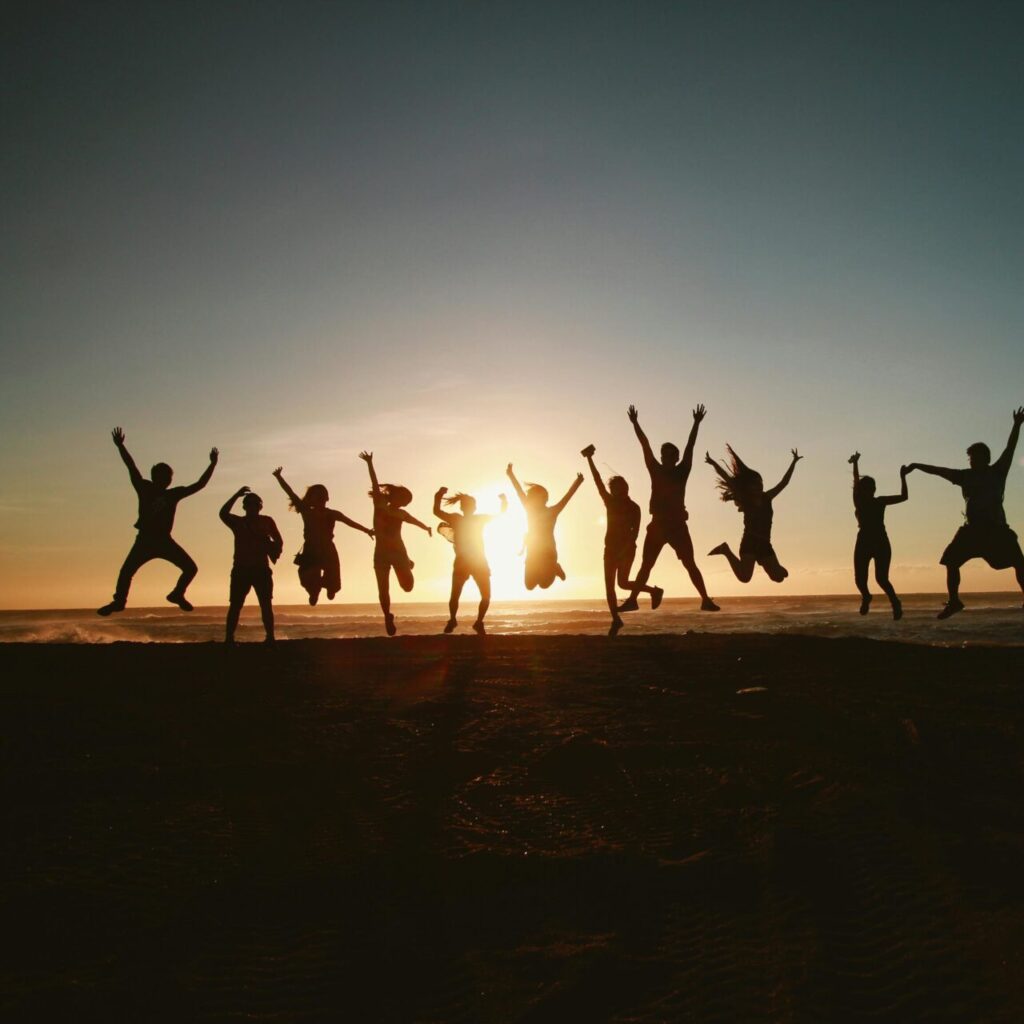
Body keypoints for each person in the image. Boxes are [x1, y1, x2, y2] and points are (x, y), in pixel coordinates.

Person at [907, 407, 1024, 619]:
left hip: (996, 529)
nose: (970, 461)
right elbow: (939, 471)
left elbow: (1010, 448)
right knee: (951, 561)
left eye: (972, 457)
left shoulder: (997, 471)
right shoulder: (964, 476)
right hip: (972, 531)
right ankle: (954, 601)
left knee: (1019, 561)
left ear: (984, 458)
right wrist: (917, 465)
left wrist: (1016, 425)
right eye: (969, 458)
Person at [98, 427, 218, 615]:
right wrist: (121, 447)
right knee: (126, 572)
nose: (167, 480)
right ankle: (119, 601)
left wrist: (212, 464)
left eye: (169, 477)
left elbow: (199, 485)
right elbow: (131, 467)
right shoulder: (145, 488)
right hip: (145, 540)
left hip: (164, 540)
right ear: (155, 477)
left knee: (190, 568)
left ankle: (177, 594)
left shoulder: (173, 494)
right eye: (164, 477)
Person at [619, 404, 719, 612]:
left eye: (669, 454)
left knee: (690, 563)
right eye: (663, 454)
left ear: (675, 457)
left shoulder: (682, 471)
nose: (665, 457)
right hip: (657, 525)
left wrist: (696, 423)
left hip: (677, 526)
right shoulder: (655, 469)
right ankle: (632, 600)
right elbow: (644, 445)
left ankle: (705, 599)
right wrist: (635, 423)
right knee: (646, 565)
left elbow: (690, 448)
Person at [582, 444, 662, 635]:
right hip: (609, 549)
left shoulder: (634, 507)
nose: (620, 490)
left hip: (626, 549)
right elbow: (597, 481)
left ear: (627, 487)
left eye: (623, 486)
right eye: (616, 488)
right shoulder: (609, 502)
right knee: (610, 586)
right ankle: (616, 620)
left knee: (623, 583)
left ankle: (653, 591)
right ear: (614, 490)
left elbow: (635, 533)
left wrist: (626, 548)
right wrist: (590, 459)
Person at [272, 466, 373, 605]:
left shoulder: (332, 513)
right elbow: (291, 493)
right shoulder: (307, 511)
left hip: (327, 549)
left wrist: (367, 530)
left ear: (327, 498)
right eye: (316, 495)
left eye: (322, 495)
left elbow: (350, 522)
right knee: (308, 578)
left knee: (334, 580)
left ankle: (329, 588)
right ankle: (314, 592)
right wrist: (279, 477)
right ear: (311, 499)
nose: (319, 498)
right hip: (311, 549)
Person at [359, 451, 432, 635]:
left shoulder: (401, 514)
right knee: (383, 589)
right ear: (395, 496)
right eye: (404, 500)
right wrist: (369, 463)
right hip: (381, 554)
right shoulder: (379, 505)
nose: (405, 504)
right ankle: (387, 616)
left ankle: (407, 563)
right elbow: (375, 484)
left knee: (408, 587)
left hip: (399, 553)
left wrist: (426, 528)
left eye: (407, 502)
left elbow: (414, 520)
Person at [706, 446, 802, 584]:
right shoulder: (745, 499)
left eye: (760, 484)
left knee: (779, 578)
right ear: (749, 487)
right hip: (750, 542)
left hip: (764, 543)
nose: (759, 487)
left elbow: (784, 482)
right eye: (756, 485)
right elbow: (727, 478)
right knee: (745, 578)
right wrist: (713, 463)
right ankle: (725, 550)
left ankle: (769, 564)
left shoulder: (767, 497)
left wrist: (794, 462)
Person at [434, 487, 507, 634]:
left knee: (473, 595)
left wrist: (438, 495)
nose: (470, 507)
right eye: (469, 505)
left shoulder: (467, 519)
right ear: (469, 507)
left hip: (475, 561)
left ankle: (470, 622)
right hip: (471, 561)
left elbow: (436, 511)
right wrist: (504, 501)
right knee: (476, 595)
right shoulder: (464, 519)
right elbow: (501, 513)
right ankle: (464, 621)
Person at [849, 453, 908, 619]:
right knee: (860, 579)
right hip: (864, 541)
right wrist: (855, 464)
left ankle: (895, 603)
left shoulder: (880, 501)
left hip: (880, 541)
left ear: (874, 490)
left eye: (871, 488)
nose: (869, 491)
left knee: (881, 579)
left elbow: (904, 497)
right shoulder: (858, 500)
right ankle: (866, 596)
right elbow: (855, 482)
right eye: (865, 488)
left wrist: (902, 477)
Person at [505, 463, 583, 590]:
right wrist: (510, 475)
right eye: (530, 497)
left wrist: (578, 482)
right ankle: (552, 569)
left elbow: (567, 498)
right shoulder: (529, 509)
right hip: (533, 551)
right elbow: (519, 492)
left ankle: (555, 568)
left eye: (533, 497)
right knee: (529, 585)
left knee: (544, 584)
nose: (530, 499)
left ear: (544, 499)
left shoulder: (552, 511)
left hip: (548, 553)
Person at [219, 486, 283, 642]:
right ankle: (229, 639)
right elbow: (223, 513)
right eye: (249, 504)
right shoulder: (238, 522)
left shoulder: (267, 521)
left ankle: (270, 637)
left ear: (260, 506)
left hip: (261, 569)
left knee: (266, 605)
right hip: (241, 569)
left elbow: (279, 540)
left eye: (255, 504)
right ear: (245, 506)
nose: (252, 507)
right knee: (235, 606)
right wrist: (236, 494)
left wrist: (272, 549)